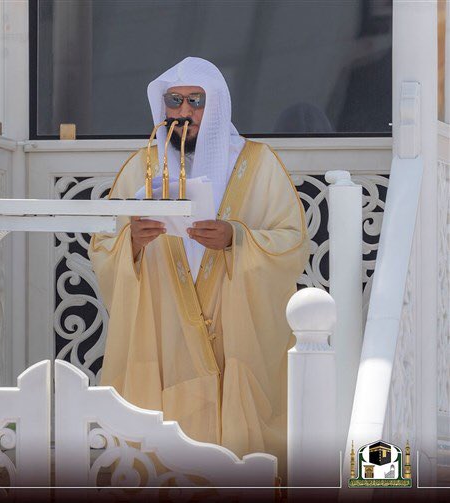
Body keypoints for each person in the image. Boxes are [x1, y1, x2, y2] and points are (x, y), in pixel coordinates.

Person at [89, 57, 310, 479]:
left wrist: (236, 238)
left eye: (195, 102)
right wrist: (132, 242)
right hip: (163, 325)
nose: (184, 112)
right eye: (175, 101)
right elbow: (103, 245)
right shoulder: (142, 166)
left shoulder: (257, 163)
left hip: (236, 328)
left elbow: (291, 241)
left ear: (217, 107)